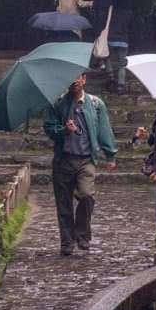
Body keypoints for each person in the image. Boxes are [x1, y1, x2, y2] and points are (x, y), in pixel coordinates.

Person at [43, 71, 116, 255]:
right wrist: (63, 130)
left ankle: (82, 234)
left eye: (78, 77)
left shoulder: (96, 104)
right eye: (70, 78)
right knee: (64, 203)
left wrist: (110, 154)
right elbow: (49, 128)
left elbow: (103, 129)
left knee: (86, 195)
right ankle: (67, 242)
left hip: (85, 159)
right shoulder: (57, 103)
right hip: (64, 159)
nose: (74, 81)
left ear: (84, 79)